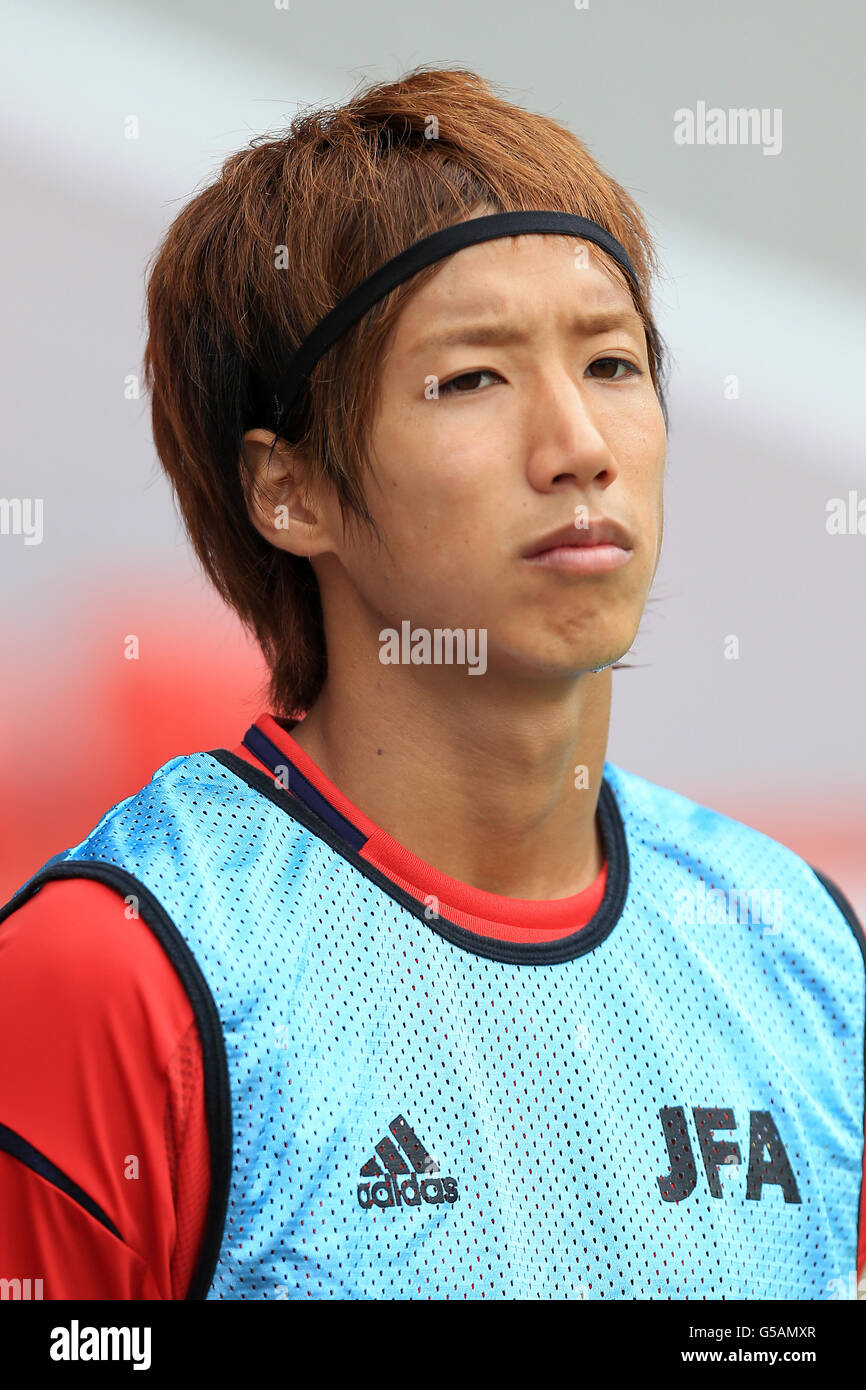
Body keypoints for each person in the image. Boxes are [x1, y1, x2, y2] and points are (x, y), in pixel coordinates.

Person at [0, 65, 863, 1302]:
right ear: (285, 489)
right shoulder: (121, 969)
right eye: (471, 379)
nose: (576, 450)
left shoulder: (792, 942)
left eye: (612, 365)